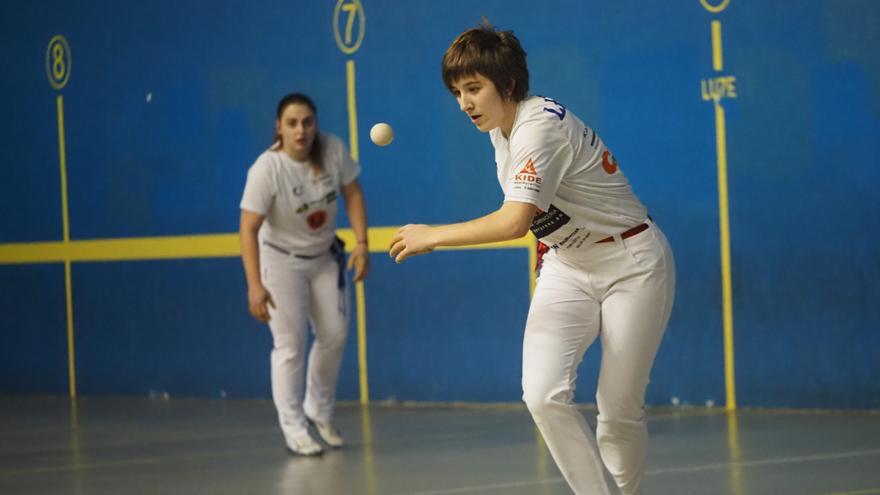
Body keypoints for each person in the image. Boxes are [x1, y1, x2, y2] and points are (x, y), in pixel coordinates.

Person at [389, 23, 675, 494]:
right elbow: (547, 211)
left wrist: (432, 236)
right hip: (569, 264)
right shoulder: (501, 132)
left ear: (508, 85)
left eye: (474, 89)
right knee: (542, 395)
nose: (464, 103)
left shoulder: (538, 128)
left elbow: (513, 221)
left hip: (632, 263)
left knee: (617, 411)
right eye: (458, 92)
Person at [240, 93, 370, 456]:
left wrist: (361, 243)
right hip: (281, 262)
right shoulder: (266, 170)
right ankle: (294, 426)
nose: (302, 130)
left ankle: (319, 410)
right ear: (279, 128)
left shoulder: (332, 150)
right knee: (290, 344)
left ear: (316, 124)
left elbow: (353, 194)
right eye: (293, 123)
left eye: (308, 122)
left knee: (335, 334)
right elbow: (248, 228)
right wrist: (255, 285)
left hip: (324, 256)